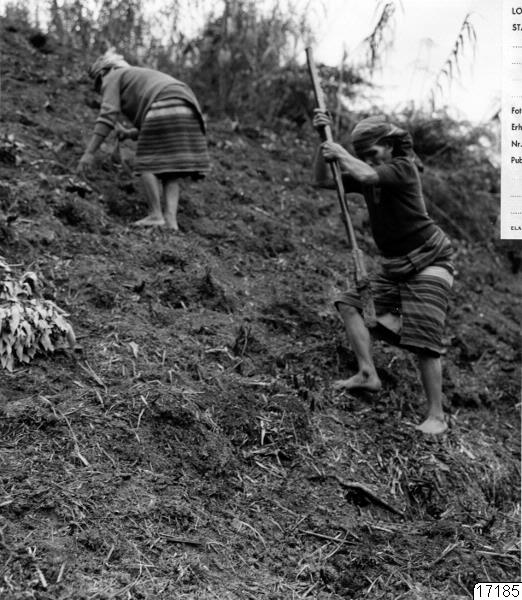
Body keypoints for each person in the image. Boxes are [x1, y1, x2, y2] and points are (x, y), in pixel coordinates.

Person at [313, 112, 454, 435]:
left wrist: (343, 154)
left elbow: (367, 176)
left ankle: (437, 416)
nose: (367, 159)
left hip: (430, 260)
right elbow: (323, 180)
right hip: (395, 268)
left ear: (390, 146)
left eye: (373, 153)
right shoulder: (367, 169)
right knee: (349, 305)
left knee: (425, 340)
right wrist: (323, 142)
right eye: (363, 155)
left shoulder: (403, 168)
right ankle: (367, 373)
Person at [77, 49, 210, 230]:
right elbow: (158, 126)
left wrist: (89, 153)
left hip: (164, 103)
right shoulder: (138, 76)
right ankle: (171, 221)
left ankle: (156, 215)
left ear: (103, 72)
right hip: (188, 107)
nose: (101, 89)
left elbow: (107, 116)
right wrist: (130, 133)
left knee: (146, 163)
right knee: (170, 171)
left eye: (99, 85)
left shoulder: (112, 76)